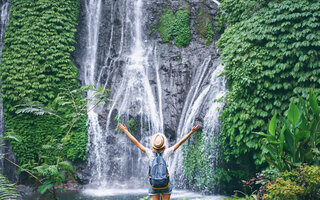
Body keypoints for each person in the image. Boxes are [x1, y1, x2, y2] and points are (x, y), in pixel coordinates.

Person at [118, 123, 200, 200]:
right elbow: (180, 142)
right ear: (163, 143)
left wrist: (125, 131)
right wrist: (191, 132)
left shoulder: (149, 153)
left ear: (153, 144)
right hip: (165, 184)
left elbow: (135, 142)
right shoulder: (167, 152)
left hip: (154, 185)